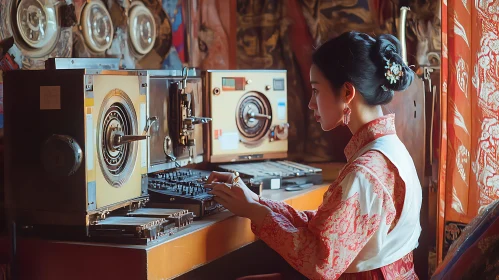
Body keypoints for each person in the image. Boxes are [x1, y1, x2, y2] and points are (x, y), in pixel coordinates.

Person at [205, 31, 422, 280]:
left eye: (316, 91)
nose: (310, 103)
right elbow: (325, 228)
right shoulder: (390, 149)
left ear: (347, 93)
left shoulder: (365, 172)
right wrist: (256, 202)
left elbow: (321, 262)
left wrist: (254, 211)